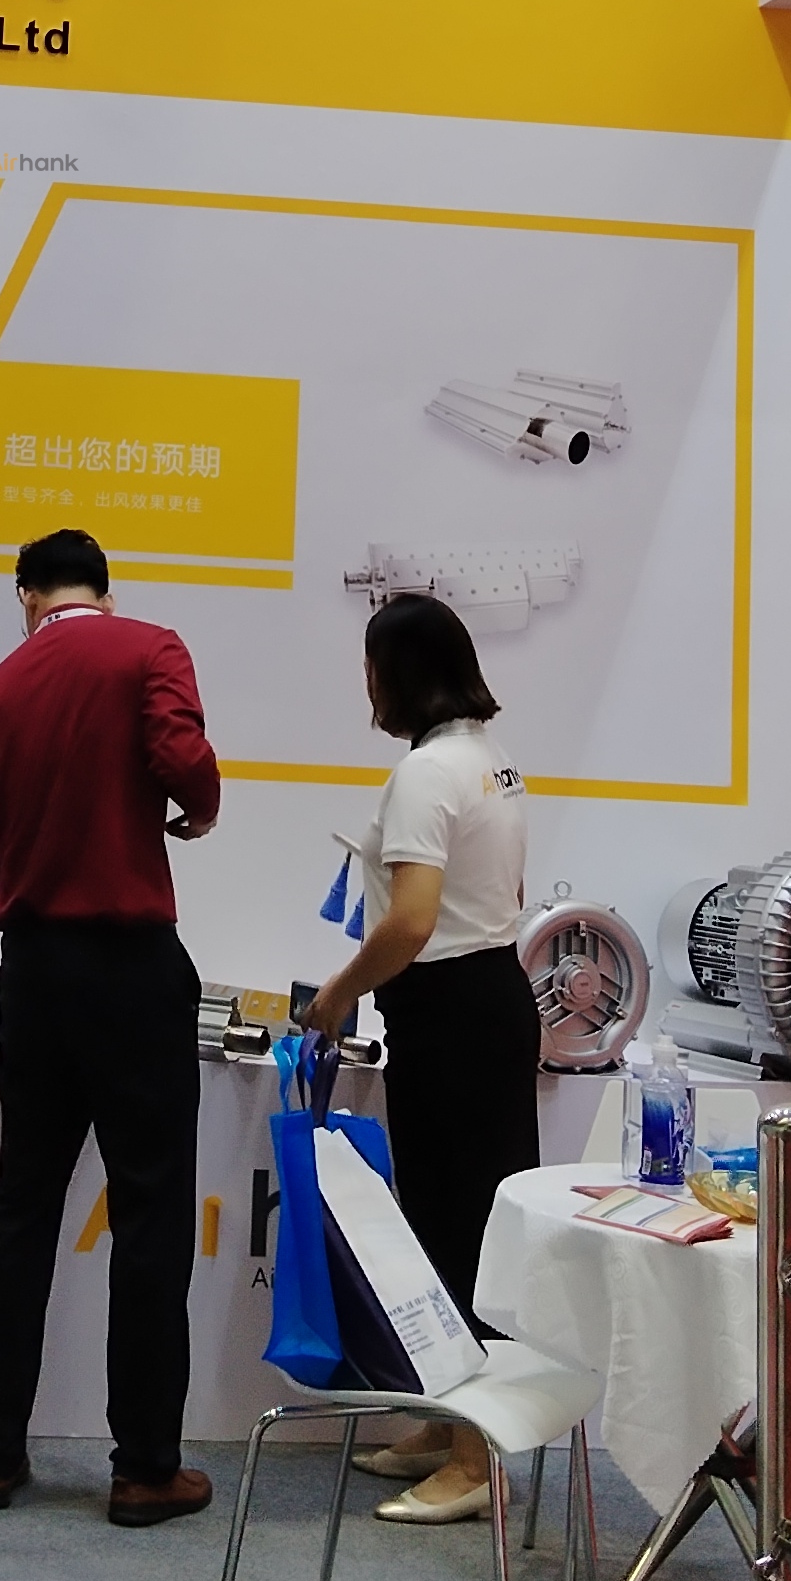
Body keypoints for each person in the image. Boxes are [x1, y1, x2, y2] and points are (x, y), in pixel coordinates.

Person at [0, 528, 222, 1528]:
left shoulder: (1, 684)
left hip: (33, 964)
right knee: (149, 1212)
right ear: (103, 593)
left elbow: (3, 818)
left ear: (27, 595)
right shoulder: (149, 646)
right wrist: (198, 810)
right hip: (127, 964)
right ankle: (144, 1467)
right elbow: (180, 755)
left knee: (23, 1203)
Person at [302, 593, 537, 1525]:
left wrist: (338, 992)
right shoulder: (490, 760)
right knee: (451, 1221)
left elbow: (410, 921)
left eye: (371, 668)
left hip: (450, 1013)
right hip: (487, 999)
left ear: (396, 673)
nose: (366, 686)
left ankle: (475, 1458)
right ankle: (447, 1424)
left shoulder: (426, 774)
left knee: (458, 1228)